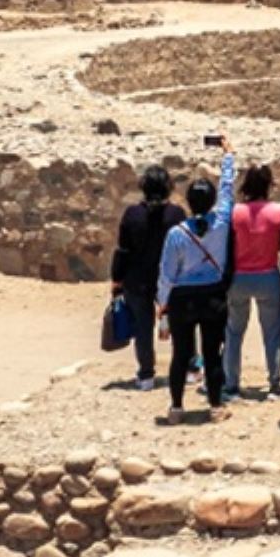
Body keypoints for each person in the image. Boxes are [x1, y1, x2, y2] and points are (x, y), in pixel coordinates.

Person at [155, 140, 236, 421]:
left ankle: (176, 408)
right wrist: (228, 157)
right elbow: (227, 190)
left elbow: (167, 273)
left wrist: (163, 304)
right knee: (213, 353)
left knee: (181, 354)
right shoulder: (223, 222)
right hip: (213, 295)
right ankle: (215, 406)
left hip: (182, 299)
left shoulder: (177, 233)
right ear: (212, 202)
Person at [110, 165, 186, 391]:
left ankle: (146, 376)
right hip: (171, 280)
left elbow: (123, 250)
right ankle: (189, 368)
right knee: (180, 326)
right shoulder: (177, 215)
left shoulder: (132, 214)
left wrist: (117, 279)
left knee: (143, 330)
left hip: (137, 280)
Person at [224, 164, 280, 398]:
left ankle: (231, 384)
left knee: (234, 333)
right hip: (268, 276)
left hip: (239, 277)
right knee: (272, 332)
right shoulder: (279, 211)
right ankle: (274, 383)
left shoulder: (235, 212)